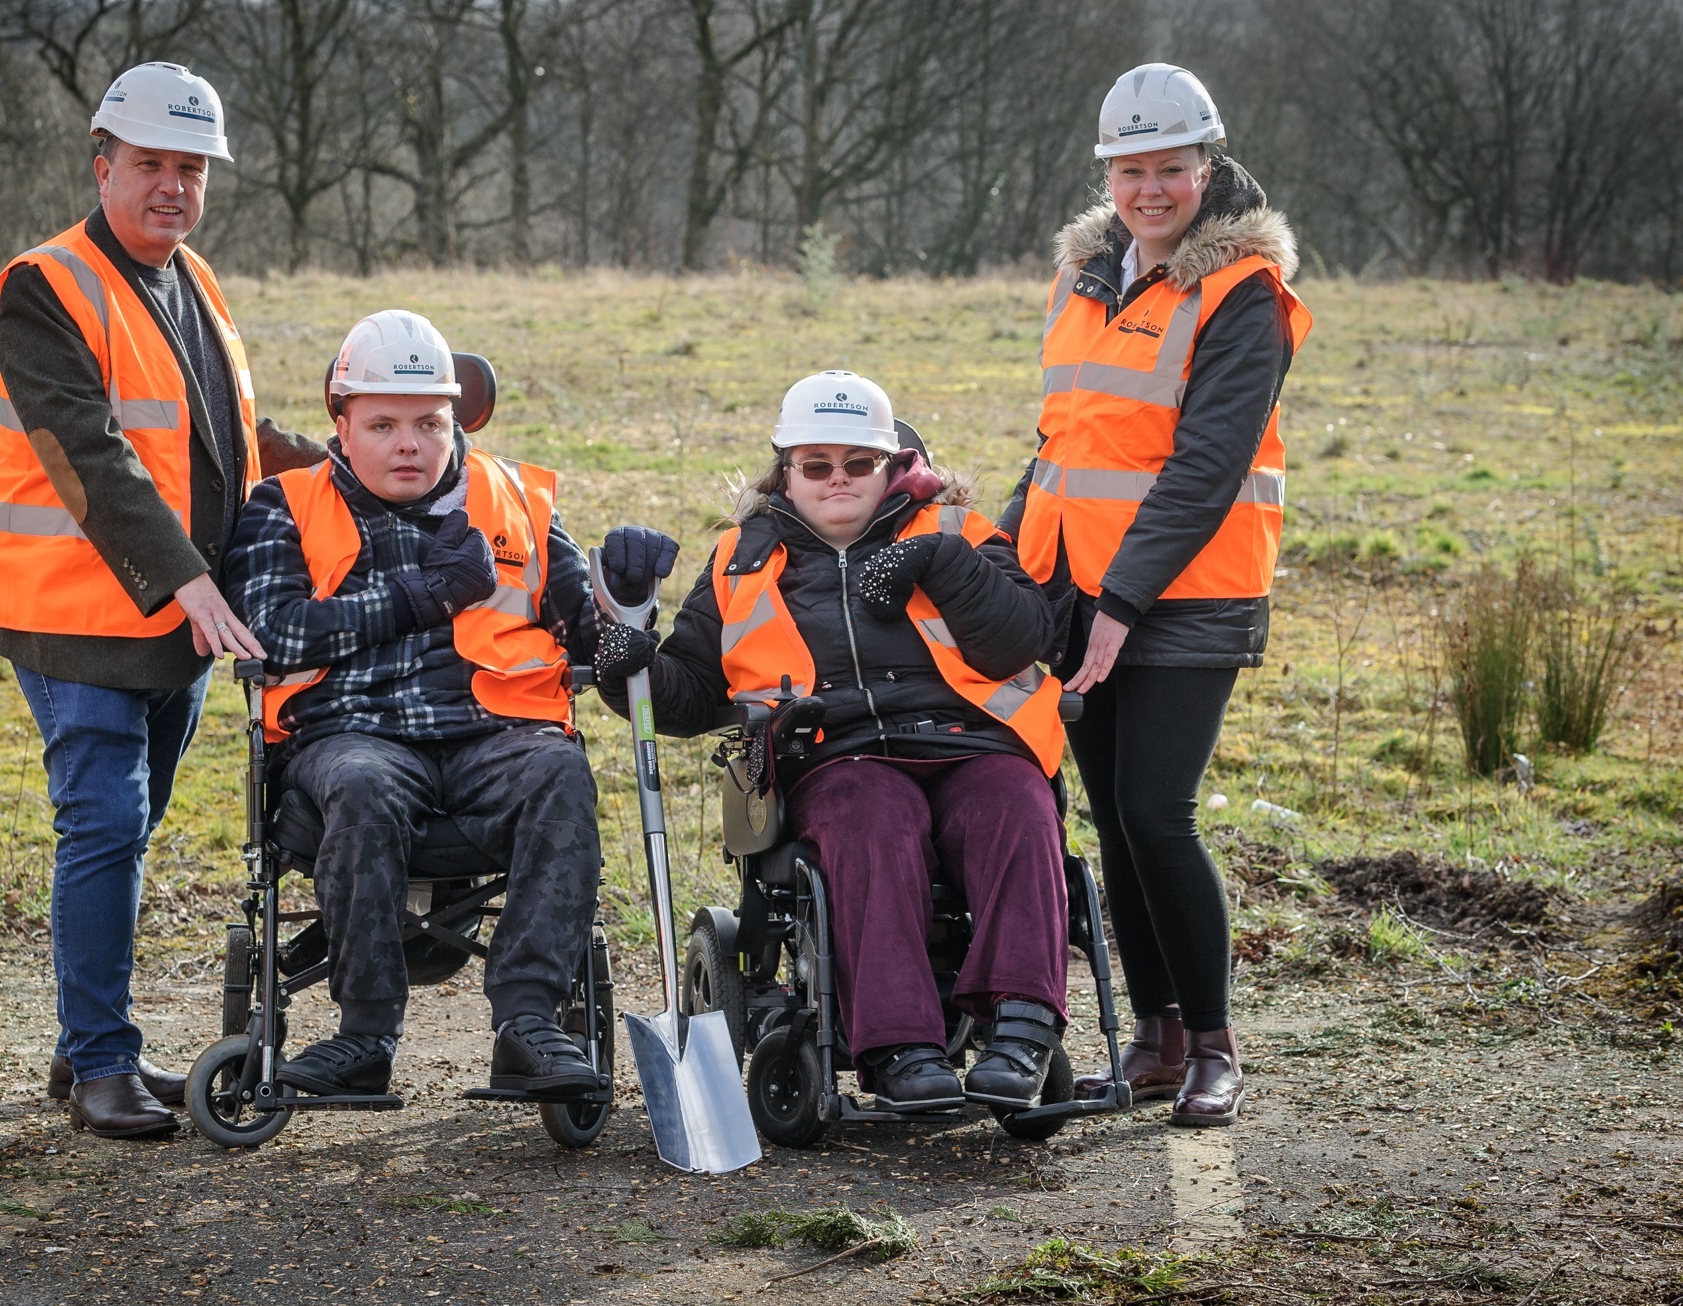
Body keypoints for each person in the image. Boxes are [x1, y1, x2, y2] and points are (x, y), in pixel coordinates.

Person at [0, 62, 323, 1139]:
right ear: (103, 163)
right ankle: (103, 1068)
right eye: (152, 165)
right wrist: (186, 577)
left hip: (177, 619)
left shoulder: (194, 279)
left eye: (191, 168)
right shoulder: (43, 284)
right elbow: (92, 454)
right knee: (108, 821)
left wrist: (350, 473)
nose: (172, 185)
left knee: (128, 826)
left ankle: (87, 1044)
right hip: (75, 607)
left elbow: (223, 435)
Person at [223, 310, 676, 1099]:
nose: (409, 444)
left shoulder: (519, 502)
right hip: (350, 735)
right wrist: (420, 596)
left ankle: (529, 1026)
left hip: (496, 735)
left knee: (559, 774)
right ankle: (364, 1035)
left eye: (430, 423)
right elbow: (272, 633)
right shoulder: (283, 505)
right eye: (384, 424)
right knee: (363, 784)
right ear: (342, 420)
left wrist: (629, 602)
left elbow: (593, 647)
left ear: (455, 418)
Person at [597, 371, 1073, 1113]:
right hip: (833, 755)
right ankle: (899, 1045)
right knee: (869, 814)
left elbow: (1023, 637)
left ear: (892, 466)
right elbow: (690, 693)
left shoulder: (957, 531)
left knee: (1017, 804)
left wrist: (944, 567)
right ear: (786, 470)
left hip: (973, 743)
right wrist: (626, 660)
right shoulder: (740, 561)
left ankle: (1022, 1027)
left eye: (860, 463)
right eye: (816, 465)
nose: (838, 480)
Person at [1001, 64, 1311, 1127]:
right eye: (1130, 170)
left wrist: (1121, 603)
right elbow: (1063, 442)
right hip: (1076, 588)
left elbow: (1204, 465)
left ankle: (1215, 1043)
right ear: (1108, 173)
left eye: (1169, 169)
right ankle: (1154, 1035)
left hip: (1186, 596)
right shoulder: (1085, 276)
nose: (1149, 190)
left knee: (1154, 811)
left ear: (1206, 168)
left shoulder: (1242, 295)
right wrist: (1001, 555)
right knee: (1114, 822)